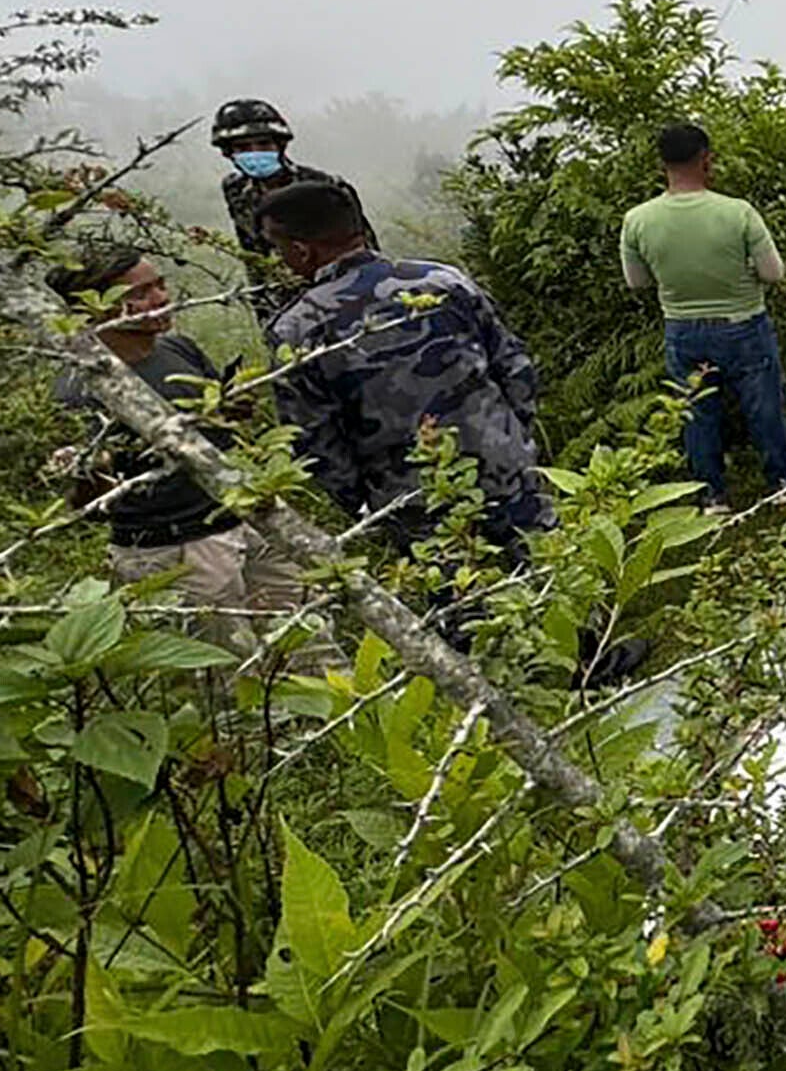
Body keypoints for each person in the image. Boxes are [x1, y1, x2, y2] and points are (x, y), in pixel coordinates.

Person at [258, 179, 552, 552]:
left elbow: (315, 440)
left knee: (461, 601)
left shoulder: (299, 328)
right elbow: (515, 366)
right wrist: (513, 439)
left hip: (413, 499)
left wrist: (364, 505)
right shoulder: (443, 280)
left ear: (301, 250)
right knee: (555, 579)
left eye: (277, 247)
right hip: (506, 468)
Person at [51, 245, 307, 654]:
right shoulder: (81, 391)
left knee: (307, 643)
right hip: (175, 550)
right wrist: (89, 473)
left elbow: (224, 428)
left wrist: (231, 408)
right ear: (91, 307)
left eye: (160, 285)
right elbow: (90, 504)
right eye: (140, 293)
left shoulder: (177, 348)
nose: (160, 299)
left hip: (245, 519)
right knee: (223, 674)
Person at [620, 121, 786, 510]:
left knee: (697, 415)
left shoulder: (638, 220)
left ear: (662, 165)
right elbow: (773, 273)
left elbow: (637, 282)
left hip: (682, 329)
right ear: (706, 159)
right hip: (744, 324)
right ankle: (785, 485)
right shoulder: (738, 213)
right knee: (764, 409)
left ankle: (710, 494)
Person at [213, 98, 372, 321]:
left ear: (280, 145)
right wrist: (265, 313)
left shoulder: (325, 187)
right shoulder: (236, 190)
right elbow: (253, 255)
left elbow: (364, 253)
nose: (255, 153)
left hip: (336, 297)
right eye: (243, 148)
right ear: (228, 153)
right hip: (281, 305)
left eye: (263, 144)